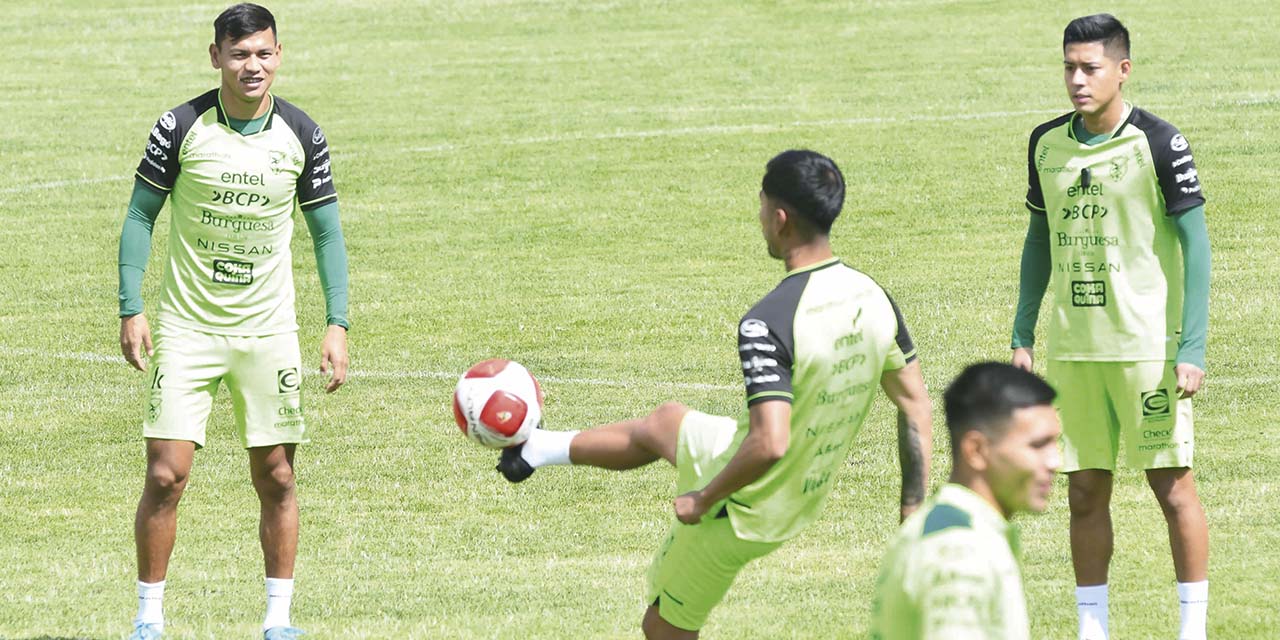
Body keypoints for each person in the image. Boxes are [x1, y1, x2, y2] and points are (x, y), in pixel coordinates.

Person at [492, 149, 933, 639]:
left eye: (762, 205)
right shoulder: (873, 297)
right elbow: (915, 401)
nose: (759, 216)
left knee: (665, 628)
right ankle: (536, 449)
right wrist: (911, 513)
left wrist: (703, 498)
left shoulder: (770, 321)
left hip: (742, 506)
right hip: (800, 491)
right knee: (665, 423)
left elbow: (770, 443)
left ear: (780, 218)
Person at [118, 4, 350, 639]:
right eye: (240, 54)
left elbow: (326, 233)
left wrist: (337, 323)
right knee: (166, 474)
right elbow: (140, 217)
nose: (254, 66)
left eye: (265, 53)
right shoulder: (181, 126)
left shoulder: (301, 133)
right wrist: (131, 307)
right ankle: (149, 619)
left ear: (279, 55)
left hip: (267, 333)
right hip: (188, 329)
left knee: (276, 474)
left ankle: (278, 622)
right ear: (216, 56)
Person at [1010, 13, 1211, 640]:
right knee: (1084, 494)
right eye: (1069, 66)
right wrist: (1023, 334)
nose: (1076, 79)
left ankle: (1192, 628)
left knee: (1172, 488)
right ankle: (1091, 628)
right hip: (1074, 351)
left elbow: (1196, 243)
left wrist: (1192, 345)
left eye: (1089, 67)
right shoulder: (1046, 143)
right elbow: (1039, 238)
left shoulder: (1159, 141)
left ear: (1122, 70)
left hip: (1147, 350)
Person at [869, 362, 1060, 639]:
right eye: (1038, 445)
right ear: (976, 450)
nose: (1055, 461)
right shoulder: (959, 552)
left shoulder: (958, 526)